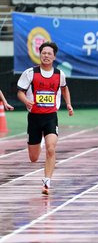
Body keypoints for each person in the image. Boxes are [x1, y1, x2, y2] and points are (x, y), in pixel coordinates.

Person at [16, 42, 74, 195]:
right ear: (40, 55)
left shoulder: (59, 74)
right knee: (34, 158)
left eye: (49, 53)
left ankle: (47, 181)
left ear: (54, 56)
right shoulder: (30, 73)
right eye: (43, 53)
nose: (46, 56)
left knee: (51, 148)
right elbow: (20, 92)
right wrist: (26, 101)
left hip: (50, 117)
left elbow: (64, 88)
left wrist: (68, 104)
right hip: (34, 118)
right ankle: (38, 142)